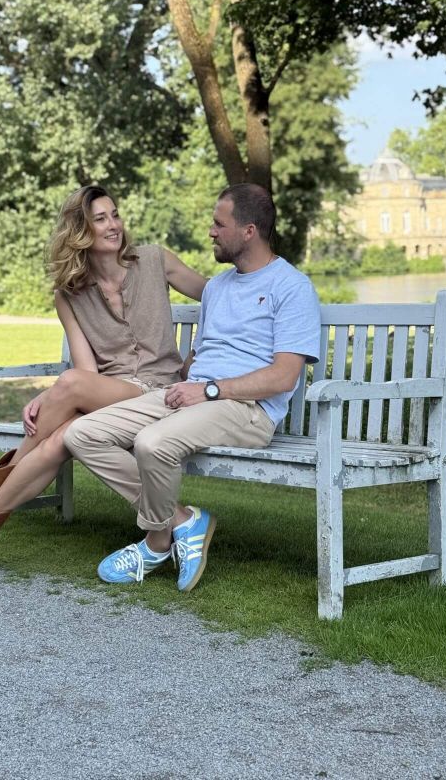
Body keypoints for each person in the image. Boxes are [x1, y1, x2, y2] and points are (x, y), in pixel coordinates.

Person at [0, 184, 207, 589]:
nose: (113, 225)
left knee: (63, 418)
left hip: (162, 392)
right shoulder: (69, 295)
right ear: (80, 231)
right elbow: (86, 371)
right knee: (59, 433)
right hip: (113, 395)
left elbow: (219, 296)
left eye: (115, 214)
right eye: (101, 219)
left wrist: (202, 355)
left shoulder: (155, 260)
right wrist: (52, 395)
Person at [63, 183, 322, 593]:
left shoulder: (291, 287)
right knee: (82, 434)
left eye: (219, 224)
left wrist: (210, 391)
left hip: (248, 410)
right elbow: (203, 354)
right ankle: (184, 520)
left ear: (249, 231)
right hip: (194, 395)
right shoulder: (218, 288)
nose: (211, 232)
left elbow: (283, 377)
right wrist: (184, 382)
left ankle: (155, 543)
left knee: (152, 443)